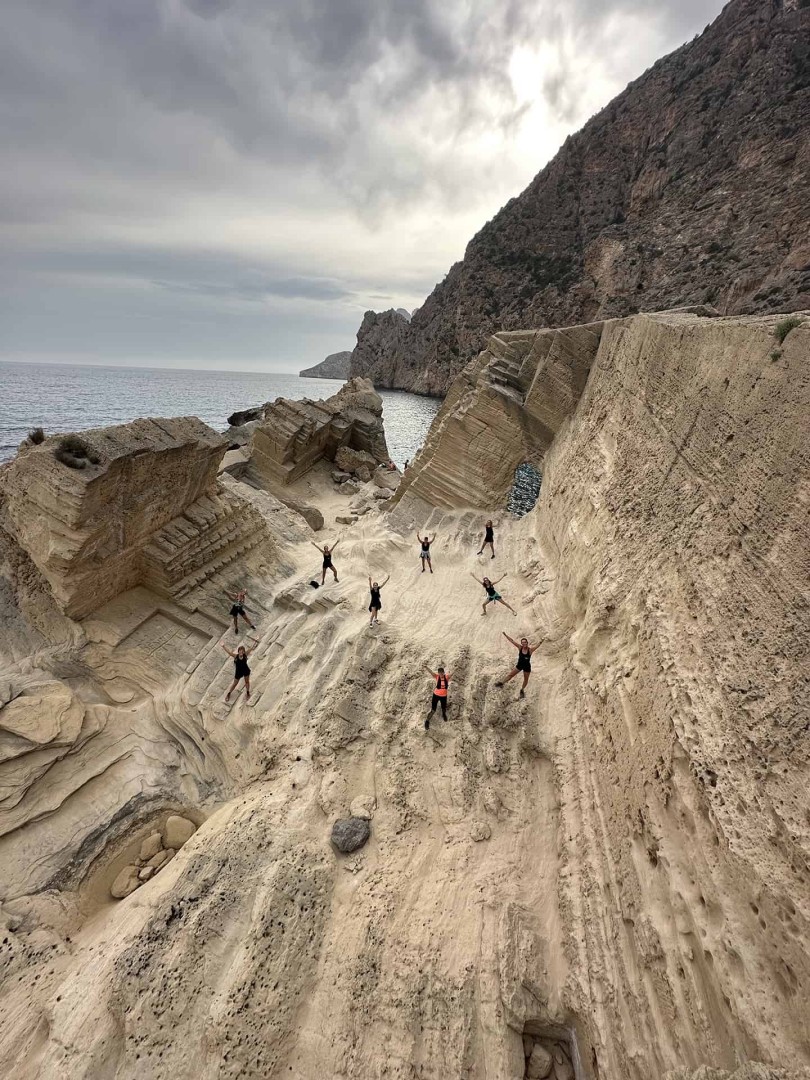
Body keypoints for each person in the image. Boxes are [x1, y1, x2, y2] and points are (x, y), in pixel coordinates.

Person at [496, 632, 540, 697]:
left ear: (527, 643)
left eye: (525, 642)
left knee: (526, 679)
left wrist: (542, 640)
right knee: (510, 675)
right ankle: (501, 683)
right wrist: (506, 635)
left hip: (527, 667)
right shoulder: (520, 647)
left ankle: (522, 690)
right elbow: (512, 641)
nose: (524, 643)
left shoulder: (530, 650)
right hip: (519, 665)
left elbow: (537, 645)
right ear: (521, 643)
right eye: (523, 642)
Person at [222, 637, 260, 702]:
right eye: (240, 651)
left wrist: (256, 641)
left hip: (245, 670)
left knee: (247, 682)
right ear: (238, 651)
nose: (241, 652)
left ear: (244, 652)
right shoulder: (235, 656)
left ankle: (247, 692)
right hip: (238, 672)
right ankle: (229, 693)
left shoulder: (245, 655)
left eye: (242, 651)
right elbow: (229, 652)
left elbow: (252, 647)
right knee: (235, 684)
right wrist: (223, 646)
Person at [424, 664, 450, 729]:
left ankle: (443, 714)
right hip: (436, 695)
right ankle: (427, 721)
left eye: (442, 673)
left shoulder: (446, 677)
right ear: (438, 673)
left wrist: (457, 668)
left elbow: (452, 673)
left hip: (443, 696)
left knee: (444, 708)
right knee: (433, 710)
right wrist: (426, 667)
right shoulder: (437, 677)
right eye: (440, 673)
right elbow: (431, 672)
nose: (441, 674)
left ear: (444, 673)